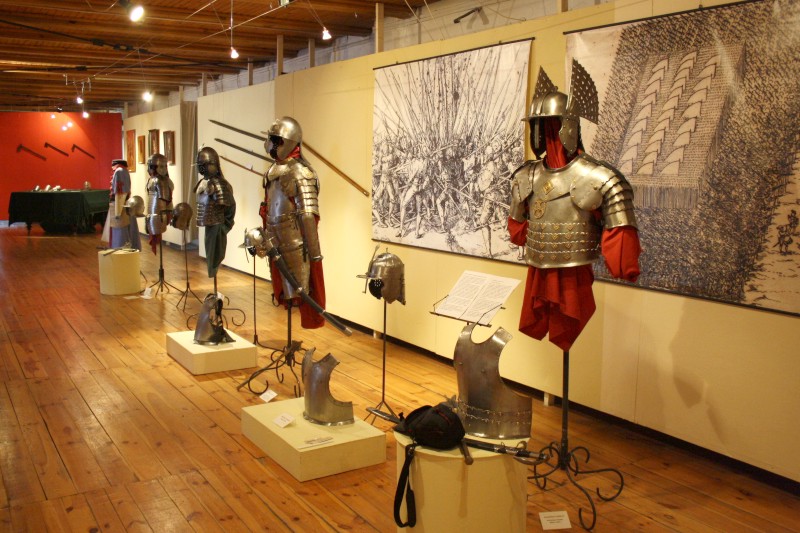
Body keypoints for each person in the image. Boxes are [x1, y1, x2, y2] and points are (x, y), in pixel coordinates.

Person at [507, 61, 641, 350]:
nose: (546, 133)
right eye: (540, 127)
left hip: (574, 278)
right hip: (538, 271)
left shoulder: (600, 178)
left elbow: (621, 242)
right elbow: (517, 231)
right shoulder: (525, 176)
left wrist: (624, 267)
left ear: (568, 127)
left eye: (551, 126)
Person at [260, 116, 326, 329]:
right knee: (282, 289)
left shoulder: (301, 173)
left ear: (287, 142)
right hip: (274, 237)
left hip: (294, 243)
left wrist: (315, 257)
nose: (271, 145)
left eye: (276, 140)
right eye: (271, 139)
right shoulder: (272, 171)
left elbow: (308, 216)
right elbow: (267, 207)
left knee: (298, 291)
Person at [195, 147, 235, 278]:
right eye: (200, 165)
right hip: (210, 226)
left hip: (217, 226)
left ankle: (213, 272)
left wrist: (224, 226)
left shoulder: (218, 184)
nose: (202, 168)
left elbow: (230, 208)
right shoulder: (204, 183)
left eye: (204, 165)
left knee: (214, 256)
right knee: (210, 254)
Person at [107, 159, 141, 250]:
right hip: (125, 204)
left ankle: (120, 249)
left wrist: (118, 211)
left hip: (120, 206)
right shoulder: (124, 170)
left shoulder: (119, 171)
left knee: (121, 233)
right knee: (129, 231)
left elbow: (120, 193)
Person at [145, 153, 174, 254]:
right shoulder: (151, 180)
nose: (150, 169)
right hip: (152, 214)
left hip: (159, 215)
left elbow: (167, 200)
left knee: (156, 233)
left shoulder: (161, 181)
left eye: (151, 166)